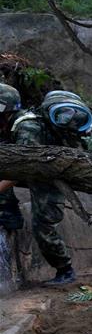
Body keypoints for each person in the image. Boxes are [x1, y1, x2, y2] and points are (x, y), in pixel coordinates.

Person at [0, 90, 92, 285]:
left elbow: (22, 169)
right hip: (37, 167)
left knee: (43, 225)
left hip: (50, 172)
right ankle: (9, 213)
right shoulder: (14, 123)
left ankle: (65, 270)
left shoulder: (27, 128)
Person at [0, 83, 24, 231]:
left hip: (45, 174)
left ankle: (8, 214)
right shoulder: (5, 120)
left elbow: (23, 169)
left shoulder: (26, 127)